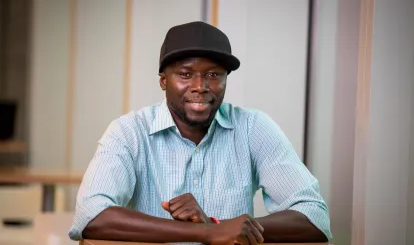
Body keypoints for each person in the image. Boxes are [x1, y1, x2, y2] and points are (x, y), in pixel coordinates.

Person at [69, 21, 332, 244]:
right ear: (163, 80)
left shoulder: (253, 128)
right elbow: (91, 214)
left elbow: (315, 216)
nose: (200, 86)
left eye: (213, 74)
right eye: (185, 74)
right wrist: (209, 231)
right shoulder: (128, 131)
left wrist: (226, 226)